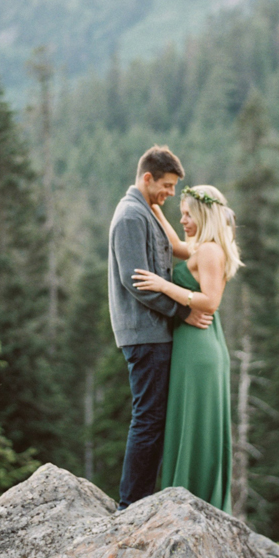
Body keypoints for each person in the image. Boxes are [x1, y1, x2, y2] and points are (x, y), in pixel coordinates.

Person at [108, 146, 214, 509]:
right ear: (147, 178)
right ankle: (131, 504)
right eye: (166, 186)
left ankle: (138, 499)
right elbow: (135, 280)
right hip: (145, 333)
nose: (170, 194)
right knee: (148, 418)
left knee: (153, 418)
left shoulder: (146, 212)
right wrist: (181, 312)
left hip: (153, 332)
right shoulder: (129, 218)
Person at [132, 184, 241, 512]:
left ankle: (195, 503)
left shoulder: (209, 251)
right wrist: (151, 206)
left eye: (187, 214)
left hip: (198, 348)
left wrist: (164, 286)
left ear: (203, 215)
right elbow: (177, 245)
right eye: (180, 214)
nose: (182, 220)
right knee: (186, 421)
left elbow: (210, 301)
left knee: (195, 424)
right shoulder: (197, 246)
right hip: (191, 345)